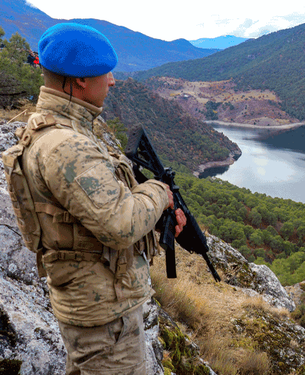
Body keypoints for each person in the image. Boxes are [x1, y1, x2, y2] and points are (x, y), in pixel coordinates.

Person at [9, 23, 186, 374]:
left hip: (95, 307)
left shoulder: (55, 130)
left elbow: (91, 212)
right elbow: (119, 224)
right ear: (80, 81)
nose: (113, 81)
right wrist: (159, 192)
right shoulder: (66, 146)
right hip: (107, 319)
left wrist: (154, 217)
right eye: (106, 73)